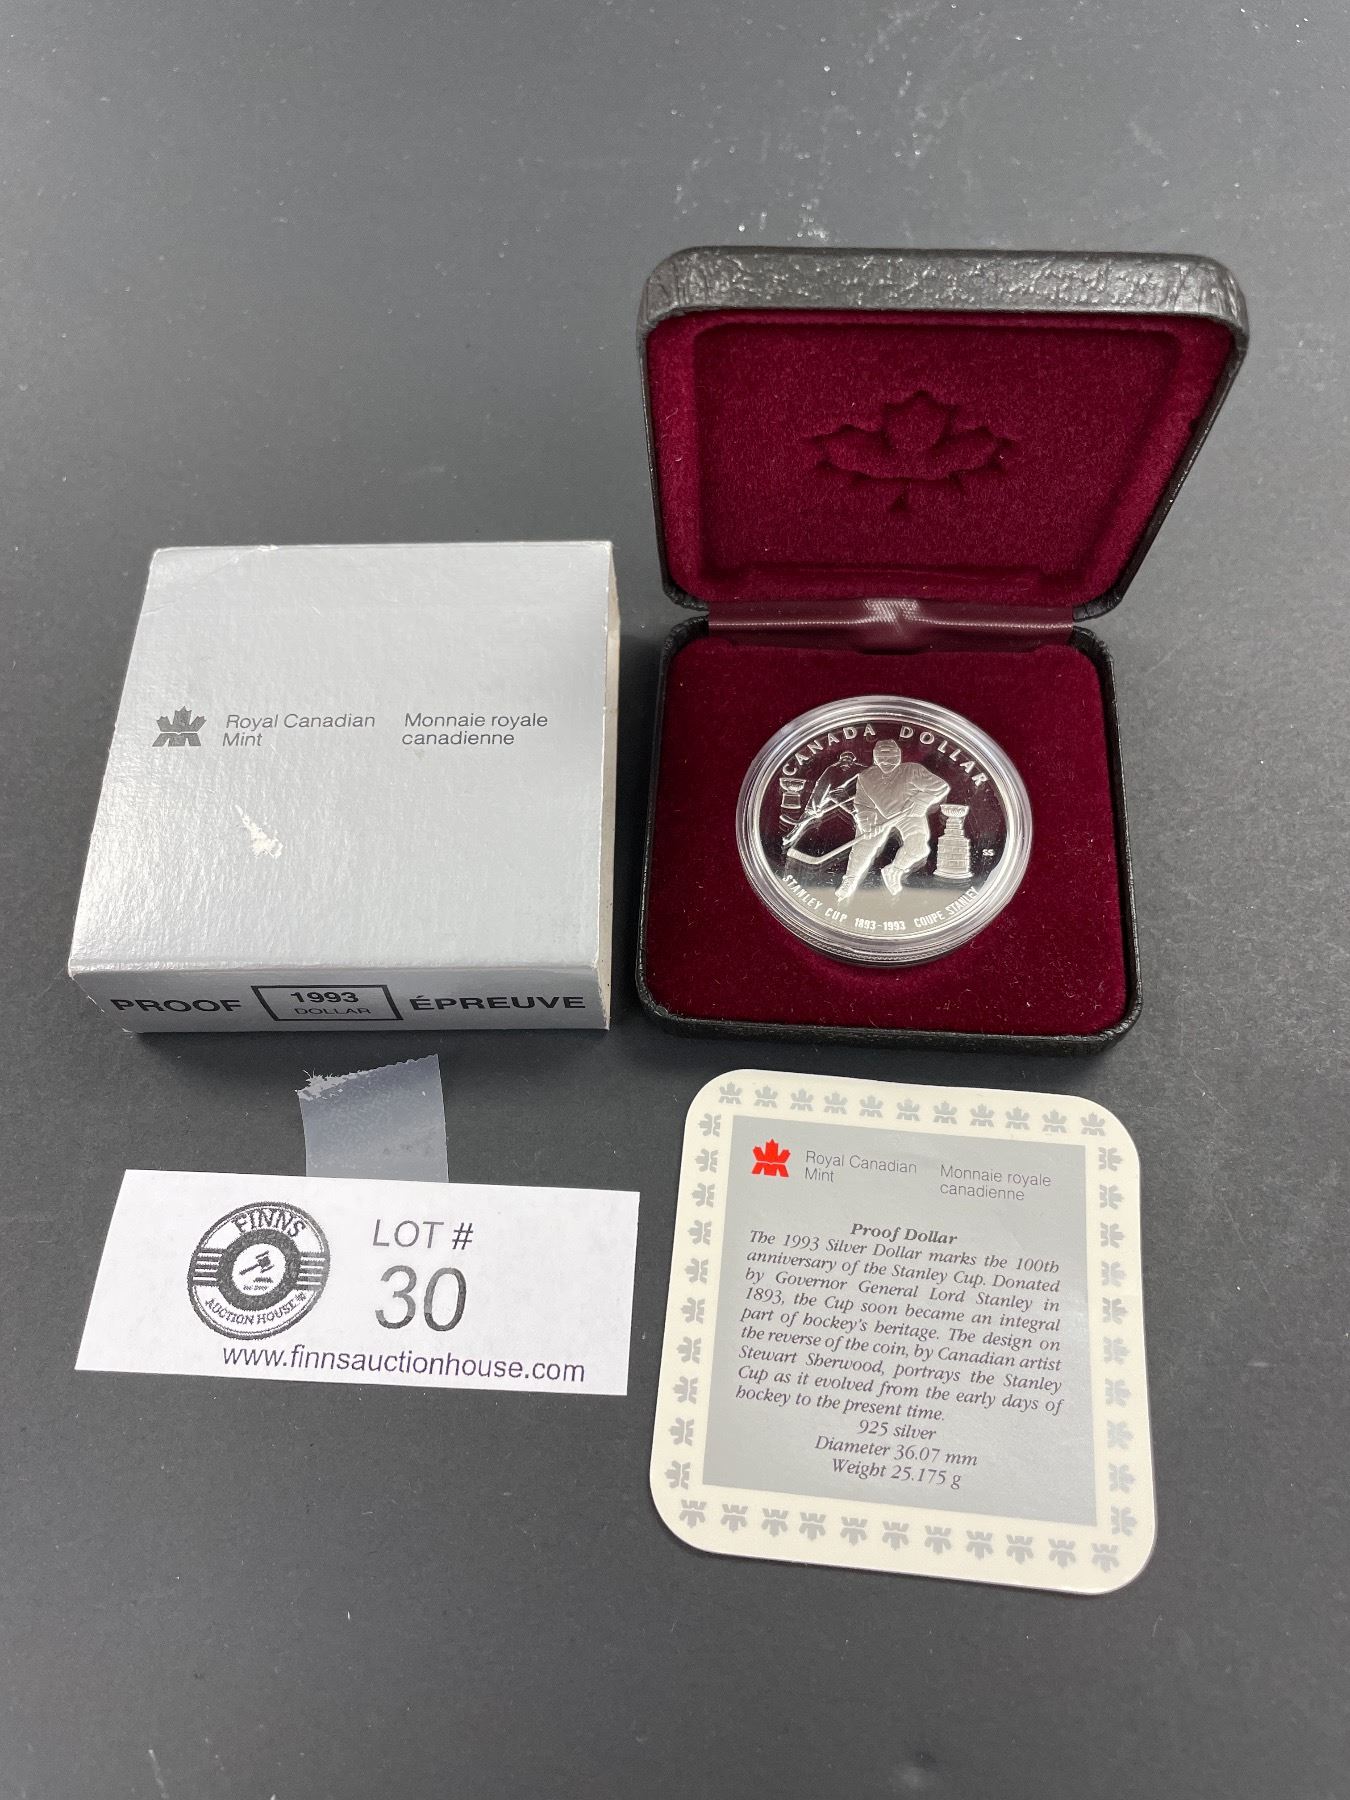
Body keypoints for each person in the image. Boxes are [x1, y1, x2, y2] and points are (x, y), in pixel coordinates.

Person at [836, 739, 949, 900]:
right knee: (863, 847)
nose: (886, 762)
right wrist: (867, 823)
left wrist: (922, 800)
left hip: (908, 812)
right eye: (882, 758)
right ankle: (850, 880)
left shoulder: (912, 770)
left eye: (890, 758)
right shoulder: (866, 777)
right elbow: (863, 803)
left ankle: (894, 870)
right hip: (879, 814)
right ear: (875, 757)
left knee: (918, 848)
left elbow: (940, 786)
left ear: (898, 756)